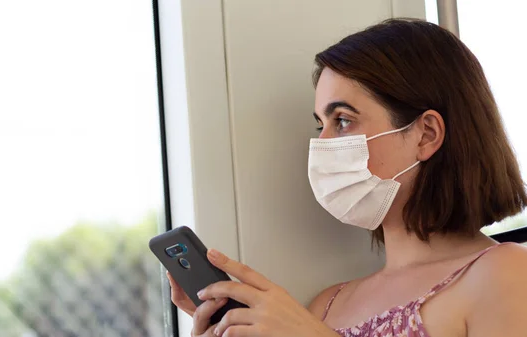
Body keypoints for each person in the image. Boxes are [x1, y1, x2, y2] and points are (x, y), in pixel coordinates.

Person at [166, 18, 527, 337]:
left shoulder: (506, 274)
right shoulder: (328, 304)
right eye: (319, 124)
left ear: (426, 134)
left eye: (342, 120)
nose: (320, 145)